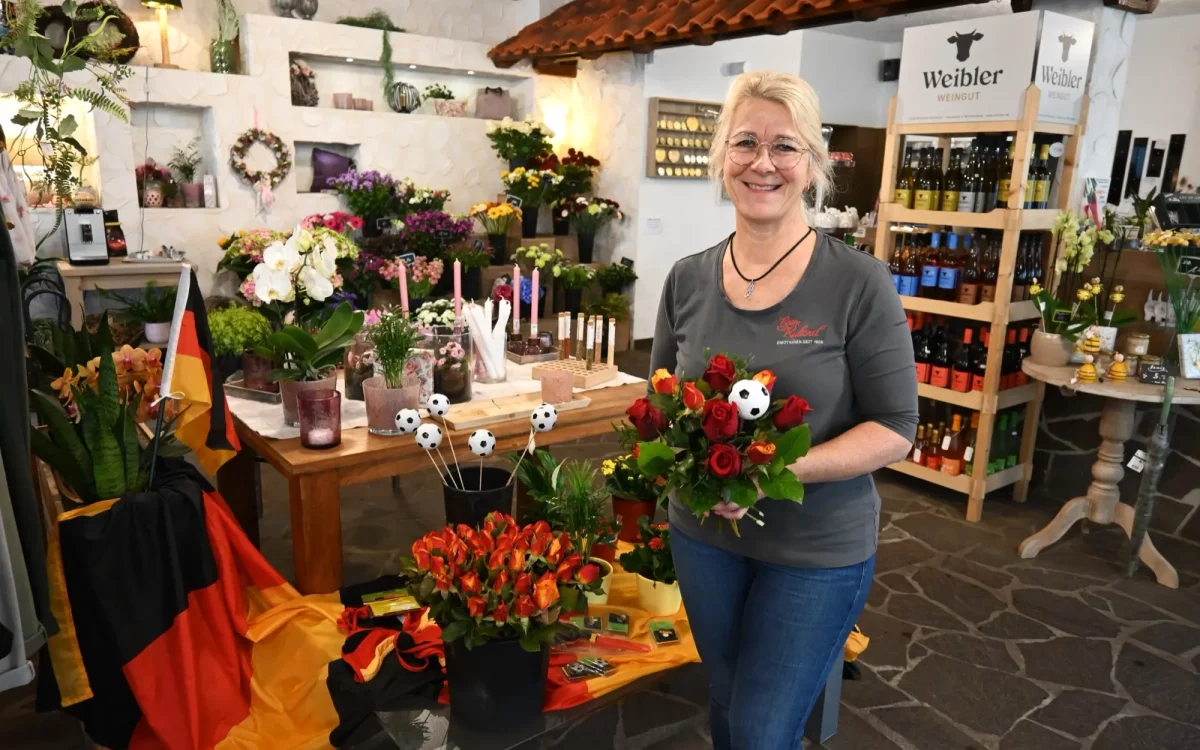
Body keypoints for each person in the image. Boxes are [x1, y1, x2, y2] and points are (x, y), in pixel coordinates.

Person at [648, 71, 918, 750]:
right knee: (730, 705)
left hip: (815, 550)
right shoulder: (686, 277)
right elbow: (663, 399)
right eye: (745, 142)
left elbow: (895, 429)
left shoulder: (858, 282)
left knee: (764, 730)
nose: (762, 162)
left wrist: (767, 473)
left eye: (784, 147)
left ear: (812, 164)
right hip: (704, 542)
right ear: (720, 158)